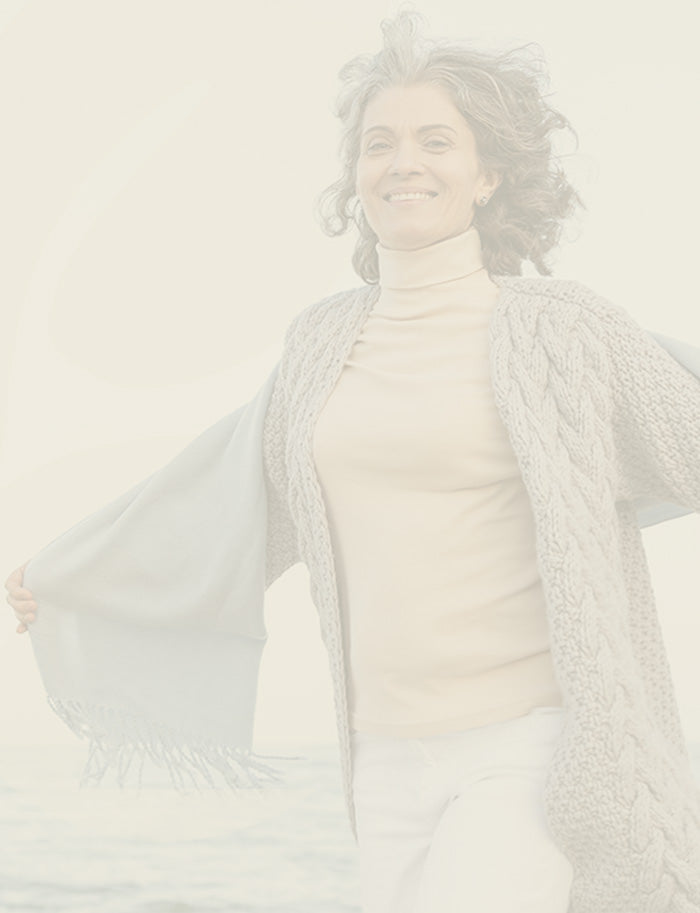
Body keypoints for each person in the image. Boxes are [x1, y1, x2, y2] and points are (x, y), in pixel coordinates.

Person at [6, 9, 700, 913]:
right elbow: (226, 491)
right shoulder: (320, 343)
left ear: (489, 174)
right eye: (380, 142)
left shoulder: (562, 331)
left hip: (531, 746)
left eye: (436, 139)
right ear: (357, 174)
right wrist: (73, 574)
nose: (403, 160)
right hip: (380, 759)